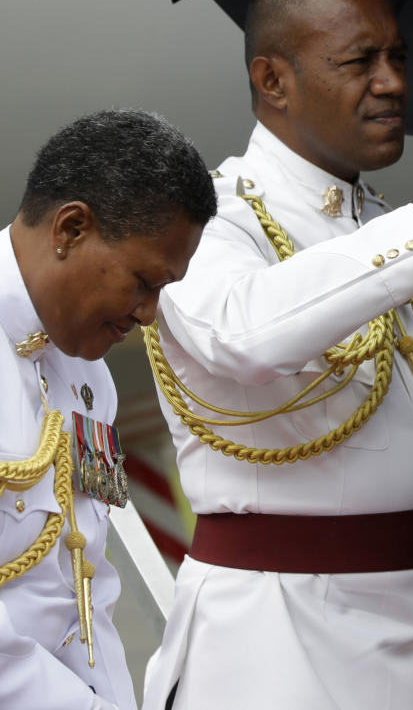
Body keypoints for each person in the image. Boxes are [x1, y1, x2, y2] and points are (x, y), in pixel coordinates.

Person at [140, 0, 413, 710]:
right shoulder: (209, 215)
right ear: (273, 80)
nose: (391, 83)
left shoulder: (373, 227)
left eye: (398, 59)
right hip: (277, 645)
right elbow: (246, 334)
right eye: (360, 62)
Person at [1, 109, 215, 710]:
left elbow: (84, 597)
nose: (148, 313)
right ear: (70, 229)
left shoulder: (87, 374)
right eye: (143, 282)